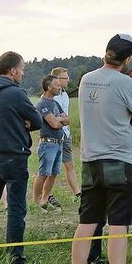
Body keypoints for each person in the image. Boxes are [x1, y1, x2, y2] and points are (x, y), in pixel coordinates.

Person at [67, 34, 132, 264]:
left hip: (91, 158)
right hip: (119, 159)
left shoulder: (86, 79)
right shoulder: (125, 82)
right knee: (118, 224)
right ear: (128, 59)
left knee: (87, 221)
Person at [0, 51, 44, 264]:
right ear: (13, 70)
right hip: (14, 155)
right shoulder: (15, 93)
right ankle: (16, 258)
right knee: (16, 208)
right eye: (22, 69)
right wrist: (24, 122)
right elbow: (37, 120)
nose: (23, 73)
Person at [31, 74, 69, 210]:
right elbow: (54, 124)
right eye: (57, 85)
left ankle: (45, 200)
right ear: (48, 87)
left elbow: (67, 120)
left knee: (53, 173)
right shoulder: (42, 104)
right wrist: (59, 120)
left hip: (59, 143)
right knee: (44, 173)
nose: (60, 87)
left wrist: (58, 119)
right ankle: (36, 201)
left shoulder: (55, 103)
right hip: (48, 144)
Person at [51, 66, 82, 201]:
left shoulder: (65, 95)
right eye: (66, 78)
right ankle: (47, 194)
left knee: (69, 164)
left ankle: (77, 193)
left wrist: (64, 121)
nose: (68, 80)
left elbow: (65, 117)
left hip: (65, 134)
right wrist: (62, 120)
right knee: (51, 168)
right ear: (58, 79)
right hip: (54, 135)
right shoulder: (50, 96)